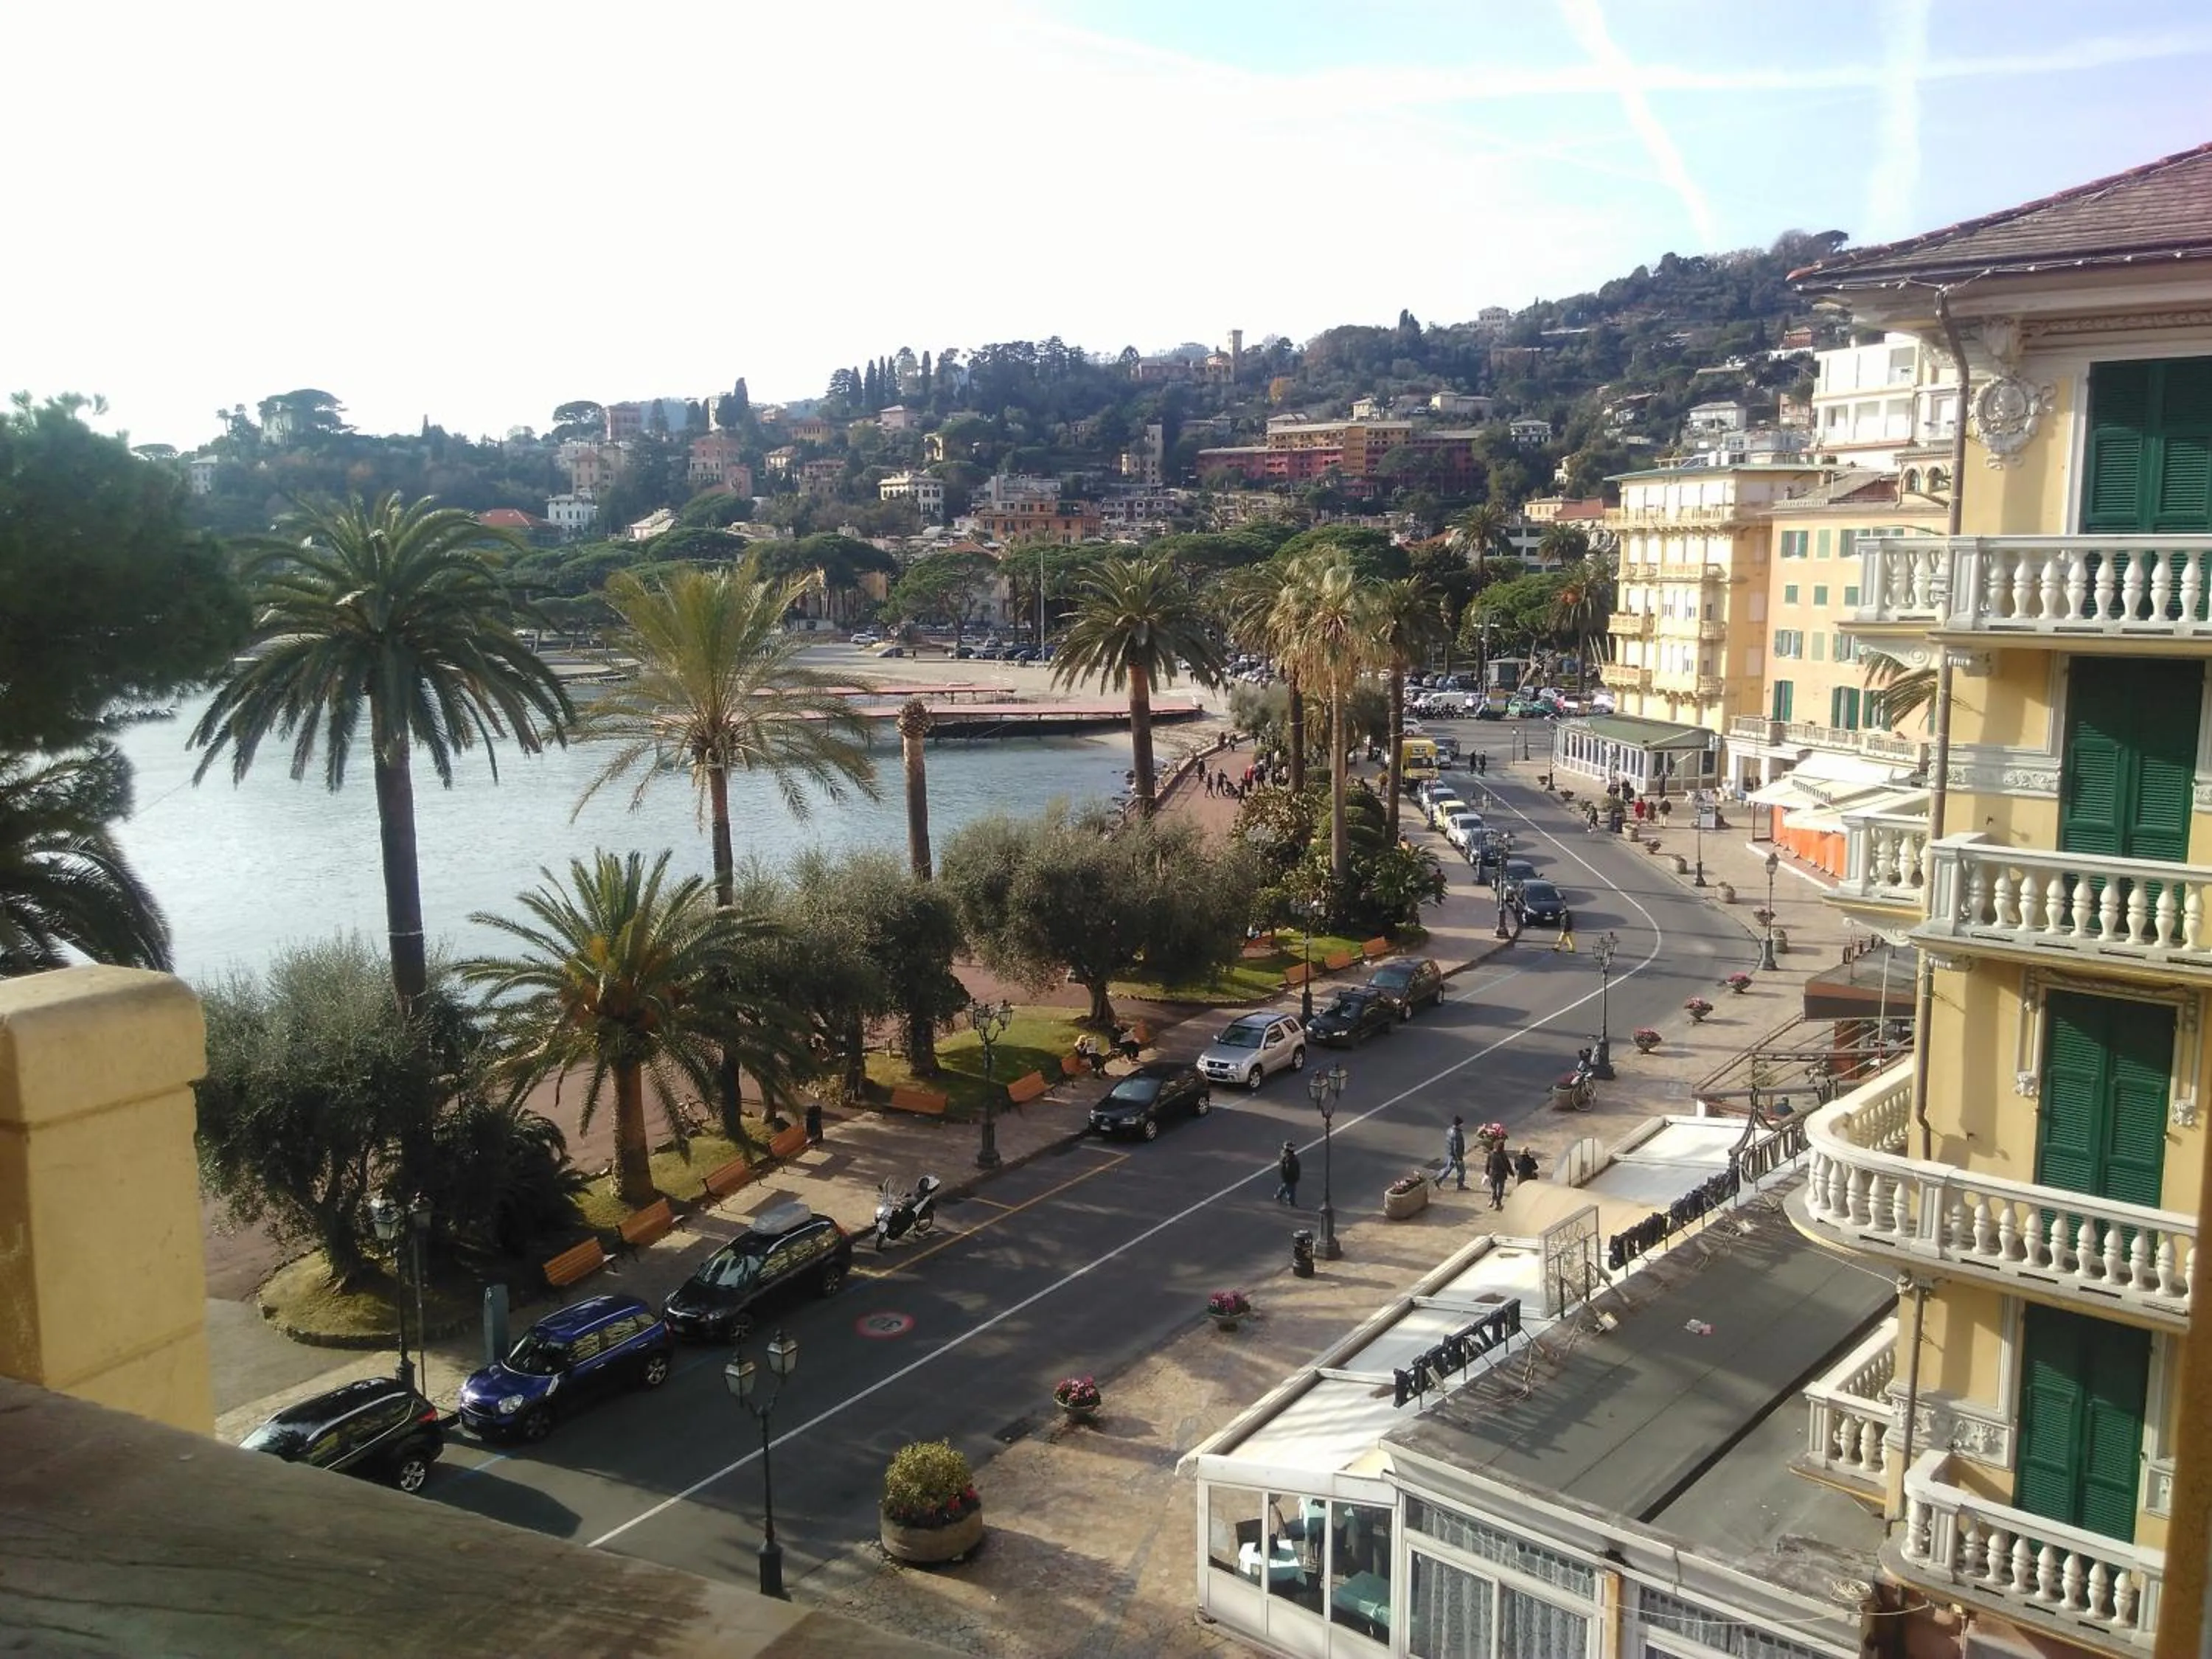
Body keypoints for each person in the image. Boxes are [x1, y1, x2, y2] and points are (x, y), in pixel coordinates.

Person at [1484, 1141, 1512, 1209]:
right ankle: (1498, 1203)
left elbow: (1487, 1164)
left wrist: (1486, 1172)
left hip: (1492, 1174)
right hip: (1501, 1174)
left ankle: (1492, 1200)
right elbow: (1507, 1164)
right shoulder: (1503, 1154)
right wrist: (1511, 1173)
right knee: (1500, 1189)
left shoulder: (1491, 1154)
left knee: (1493, 1188)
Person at [1443, 1116, 1468, 1190]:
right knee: (1462, 1171)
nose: (1462, 1125)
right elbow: (1457, 1147)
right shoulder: (1457, 1133)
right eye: (1461, 1124)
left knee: (1448, 1168)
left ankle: (1438, 1179)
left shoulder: (1449, 1130)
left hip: (1450, 1153)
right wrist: (1459, 1158)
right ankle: (1460, 1185)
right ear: (1459, 1124)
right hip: (1456, 1156)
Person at [1275, 1141, 1302, 1206]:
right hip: (1290, 1175)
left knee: (1286, 1186)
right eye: (1292, 1146)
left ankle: (1278, 1195)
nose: (1293, 1148)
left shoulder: (1285, 1154)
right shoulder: (1289, 1156)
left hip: (1286, 1175)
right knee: (1291, 1189)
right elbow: (1289, 1167)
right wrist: (1294, 1175)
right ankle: (1291, 1202)